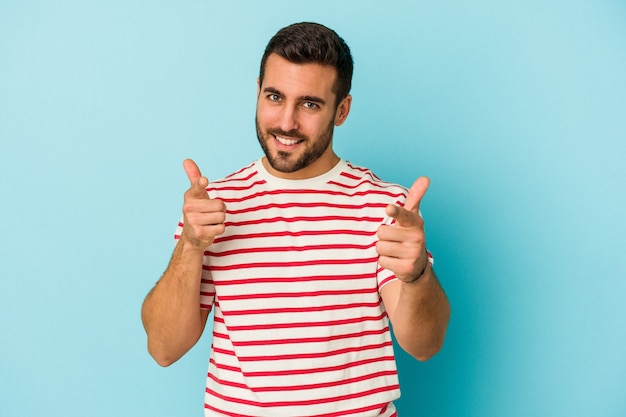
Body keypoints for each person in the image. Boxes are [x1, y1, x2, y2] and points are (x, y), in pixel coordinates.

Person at [141, 22, 450, 417]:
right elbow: (164, 349)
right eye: (274, 97)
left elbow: (425, 345)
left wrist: (417, 273)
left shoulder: (385, 207)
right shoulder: (214, 205)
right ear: (257, 92)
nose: (286, 122)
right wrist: (190, 246)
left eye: (309, 104)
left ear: (342, 110)